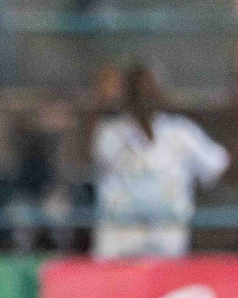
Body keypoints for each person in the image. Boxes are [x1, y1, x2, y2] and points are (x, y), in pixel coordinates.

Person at [92, 64, 229, 258]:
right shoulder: (109, 133)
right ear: (127, 94)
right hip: (118, 257)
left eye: (149, 86)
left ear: (160, 92)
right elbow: (82, 162)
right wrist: (101, 102)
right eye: (137, 88)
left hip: (168, 257)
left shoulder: (182, 132)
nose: (143, 94)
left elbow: (220, 167)